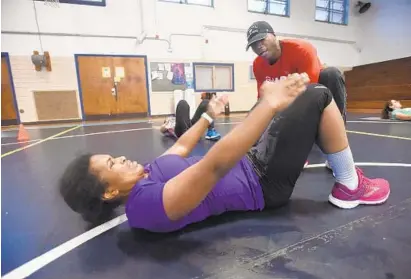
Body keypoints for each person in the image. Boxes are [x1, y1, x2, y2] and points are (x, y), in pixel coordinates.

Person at [59, 74, 390, 233]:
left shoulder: (145, 175)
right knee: (318, 94)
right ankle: (350, 184)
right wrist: (269, 103)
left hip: (250, 163)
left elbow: (180, 148)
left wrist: (208, 115)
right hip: (262, 183)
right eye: (112, 164)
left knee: (295, 104)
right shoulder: (145, 207)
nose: (121, 158)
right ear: (109, 191)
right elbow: (214, 167)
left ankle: (303, 147)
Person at [246, 20, 347, 169]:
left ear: (274, 35)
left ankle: (338, 151)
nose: (258, 46)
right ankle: (291, 154)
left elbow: (310, 96)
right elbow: (264, 98)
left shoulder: (302, 49)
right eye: (253, 44)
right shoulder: (257, 65)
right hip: (287, 100)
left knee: (332, 74)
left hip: (315, 95)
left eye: (262, 39)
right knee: (256, 116)